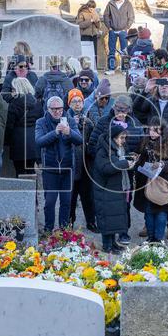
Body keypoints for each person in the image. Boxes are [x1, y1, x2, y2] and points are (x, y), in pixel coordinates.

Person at [35, 95, 83, 232]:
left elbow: (79, 140)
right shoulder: (41, 122)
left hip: (67, 169)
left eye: (60, 109)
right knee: (49, 202)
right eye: (54, 109)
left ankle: (64, 230)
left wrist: (69, 133)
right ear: (48, 109)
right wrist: (55, 132)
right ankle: (48, 229)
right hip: (50, 169)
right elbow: (39, 141)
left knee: (66, 202)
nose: (57, 112)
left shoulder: (70, 121)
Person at [132, 118, 168, 242]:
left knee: (161, 212)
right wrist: (138, 161)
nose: (152, 133)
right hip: (146, 182)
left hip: (162, 183)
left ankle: (158, 240)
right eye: (150, 130)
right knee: (148, 211)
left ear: (163, 131)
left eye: (156, 130)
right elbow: (138, 158)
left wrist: (162, 164)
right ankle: (150, 238)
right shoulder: (144, 141)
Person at [93, 126, 134, 252]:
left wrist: (129, 160)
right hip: (105, 189)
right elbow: (105, 168)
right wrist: (124, 164)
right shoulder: (103, 151)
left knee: (114, 218)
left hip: (114, 188)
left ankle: (113, 243)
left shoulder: (117, 148)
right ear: (113, 138)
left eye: (125, 138)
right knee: (107, 218)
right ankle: (107, 246)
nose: (124, 140)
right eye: (121, 138)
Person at [67, 89, 97, 231]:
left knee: (88, 197)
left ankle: (91, 222)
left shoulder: (88, 118)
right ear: (69, 104)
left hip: (86, 165)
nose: (77, 104)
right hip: (71, 164)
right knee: (71, 197)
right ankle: (69, 223)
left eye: (79, 101)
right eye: (74, 101)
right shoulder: (65, 119)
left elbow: (93, 139)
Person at [5, 76, 41, 176]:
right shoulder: (37, 103)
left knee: (19, 172)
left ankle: (22, 191)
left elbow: (9, 125)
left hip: (18, 142)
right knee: (31, 170)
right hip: (33, 141)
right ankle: (32, 191)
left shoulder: (14, 104)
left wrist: (6, 142)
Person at [103, 0, 135, 75]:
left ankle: (125, 69)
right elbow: (105, 15)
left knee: (124, 50)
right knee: (111, 50)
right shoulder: (111, 3)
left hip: (123, 30)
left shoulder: (128, 4)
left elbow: (131, 17)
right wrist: (109, 26)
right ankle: (111, 69)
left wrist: (127, 27)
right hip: (112, 30)